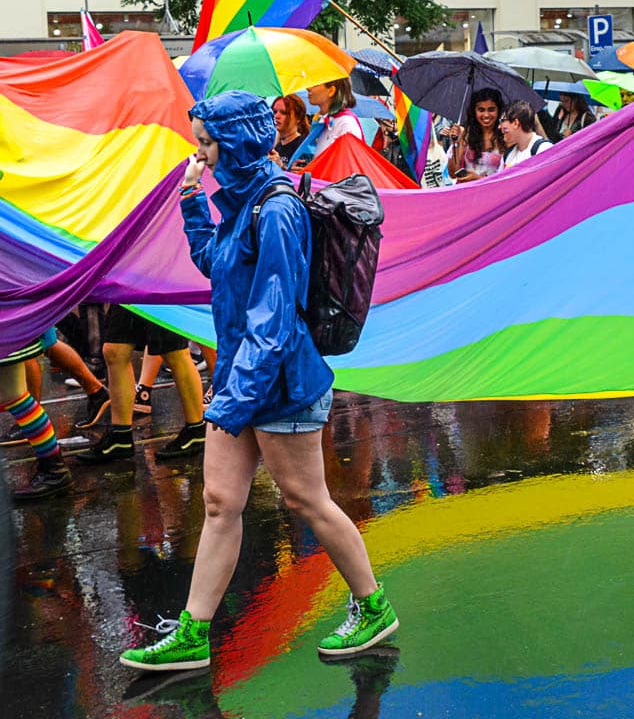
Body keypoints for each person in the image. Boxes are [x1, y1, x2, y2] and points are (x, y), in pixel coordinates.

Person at [119, 90, 395, 672]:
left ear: (238, 142)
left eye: (206, 144)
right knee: (221, 503)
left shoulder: (277, 211)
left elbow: (273, 321)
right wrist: (194, 201)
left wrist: (230, 402)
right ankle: (194, 631)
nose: (202, 156)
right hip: (247, 379)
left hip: (283, 381)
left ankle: (373, 608)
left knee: (306, 499)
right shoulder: (245, 203)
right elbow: (217, 266)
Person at [76, 306, 206, 463]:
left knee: (174, 351)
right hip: (129, 283)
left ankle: (195, 430)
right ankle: (120, 436)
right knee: (115, 350)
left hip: (160, 287)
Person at [0, 331, 72, 500]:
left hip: (7, 323)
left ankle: (54, 469)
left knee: (15, 396)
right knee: (16, 397)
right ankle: (54, 469)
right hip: (10, 322)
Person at [290, 78, 362, 170]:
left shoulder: (347, 124)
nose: (308, 88)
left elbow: (347, 168)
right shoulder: (322, 122)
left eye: (315, 83)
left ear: (331, 91)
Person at [446, 88, 506, 182]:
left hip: (493, 193)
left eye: (491, 110)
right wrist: (455, 144)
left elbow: (507, 177)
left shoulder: (505, 136)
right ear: (474, 111)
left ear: (499, 111)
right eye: (481, 110)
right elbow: (453, 173)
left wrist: (479, 179)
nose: (486, 115)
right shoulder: (466, 135)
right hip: (466, 193)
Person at [499, 101, 553, 170]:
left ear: (516, 123)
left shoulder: (543, 149)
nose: (499, 127)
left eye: (502, 121)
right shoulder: (508, 155)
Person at [271, 94, 310, 167]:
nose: (276, 116)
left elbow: (302, 176)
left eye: (284, 112)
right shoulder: (276, 146)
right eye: (274, 112)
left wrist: (282, 167)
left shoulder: (304, 146)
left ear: (298, 118)